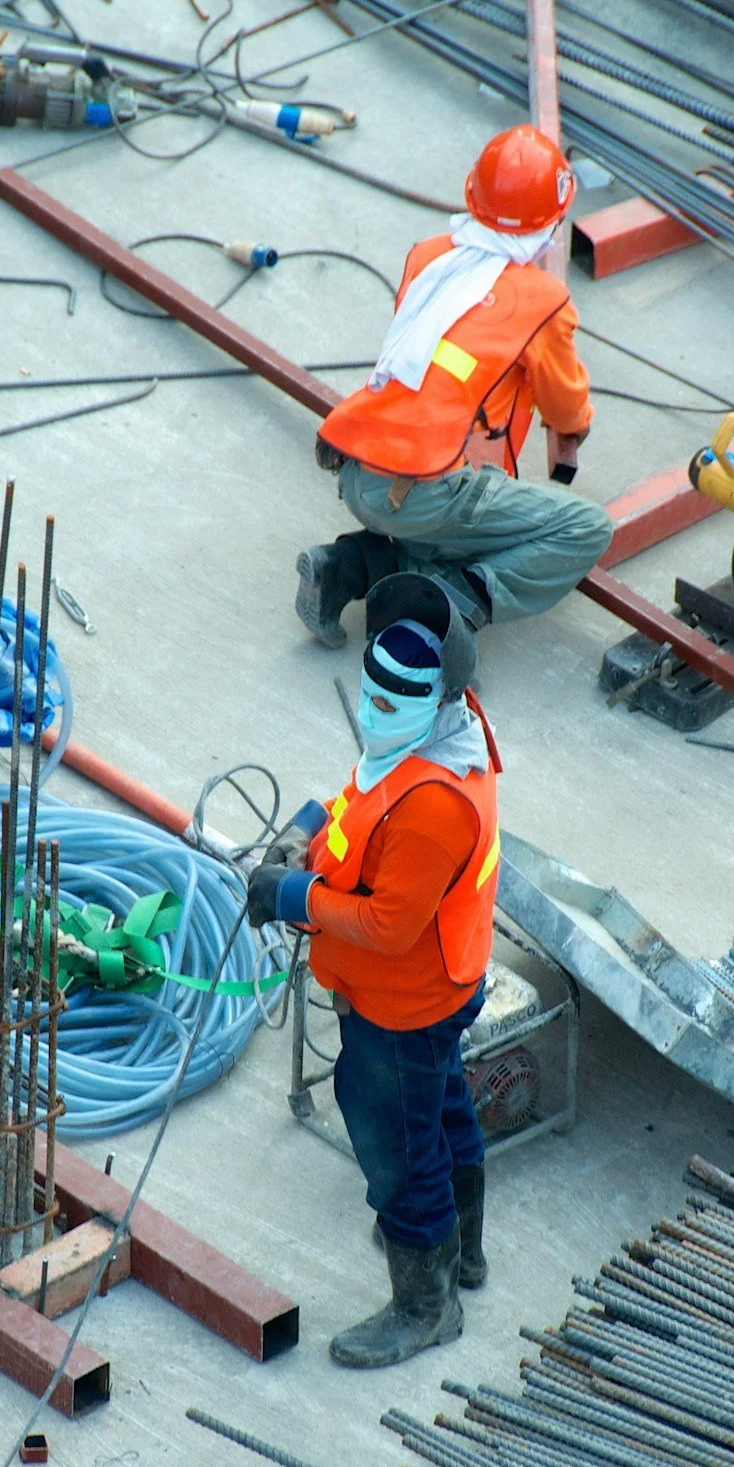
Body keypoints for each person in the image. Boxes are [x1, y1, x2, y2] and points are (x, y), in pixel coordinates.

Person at [246, 575, 502, 1368]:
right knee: (443, 1109)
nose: (376, 713)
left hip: (404, 1003)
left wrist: (296, 893)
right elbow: (363, 799)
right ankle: (461, 1254)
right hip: (437, 989)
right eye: (372, 695)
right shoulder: (434, 736)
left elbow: (390, 927)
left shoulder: (434, 804)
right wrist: (308, 832)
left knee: (399, 1151)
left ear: (440, 694)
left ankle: (427, 1306)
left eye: (395, 702)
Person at [296, 126, 611, 647]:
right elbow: (564, 406)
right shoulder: (542, 300)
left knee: (449, 524)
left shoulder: (430, 256)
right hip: (423, 491)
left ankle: (344, 568)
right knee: (584, 528)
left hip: (358, 470)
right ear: (552, 222)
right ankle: (450, 605)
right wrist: (575, 427)